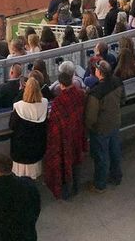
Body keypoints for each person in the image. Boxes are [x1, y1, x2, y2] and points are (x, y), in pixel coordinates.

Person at [43, 64, 88, 199]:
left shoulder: (58, 102)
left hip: (64, 138)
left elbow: (54, 125)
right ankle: (76, 188)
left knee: (66, 164)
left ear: (61, 85)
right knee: (77, 161)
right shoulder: (81, 94)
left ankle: (67, 192)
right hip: (78, 133)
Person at [85, 60, 122, 191]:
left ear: (99, 73)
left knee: (101, 156)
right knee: (115, 151)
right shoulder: (117, 81)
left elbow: (91, 116)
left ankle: (100, 184)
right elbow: (123, 98)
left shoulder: (96, 92)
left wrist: (89, 127)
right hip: (115, 122)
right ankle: (116, 177)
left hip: (101, 129)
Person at [9, 77, 48, 178]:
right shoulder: (44, 103)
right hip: (37, 146)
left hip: (21, 148)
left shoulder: (18, 106)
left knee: (20, 176)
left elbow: (11, 125)